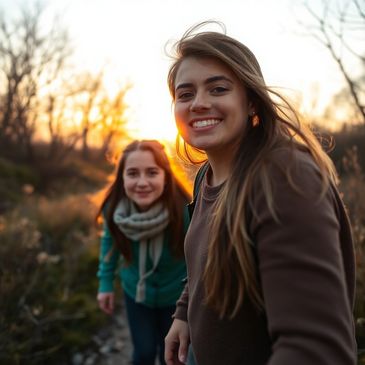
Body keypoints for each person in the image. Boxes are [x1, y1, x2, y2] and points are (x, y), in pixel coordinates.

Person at [164, 21, 357, 365]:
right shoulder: (207, 175)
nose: (198, 103)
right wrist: (183, 314)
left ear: (251, 101)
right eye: (185, 94)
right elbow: (206, 261)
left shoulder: (282, 178)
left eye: (218, 89)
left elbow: (315, 350)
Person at [96, 139, 191, 365]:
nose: (142, 182)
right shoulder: (115, 210)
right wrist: (105, 284)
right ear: (122, 178)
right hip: (136, 295)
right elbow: (110, 246)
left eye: (151, 173)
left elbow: (200, 258)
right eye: (132, 173)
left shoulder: (184, 210)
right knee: (144, 353)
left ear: (166, 176)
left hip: (176, 298)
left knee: (172, 357)